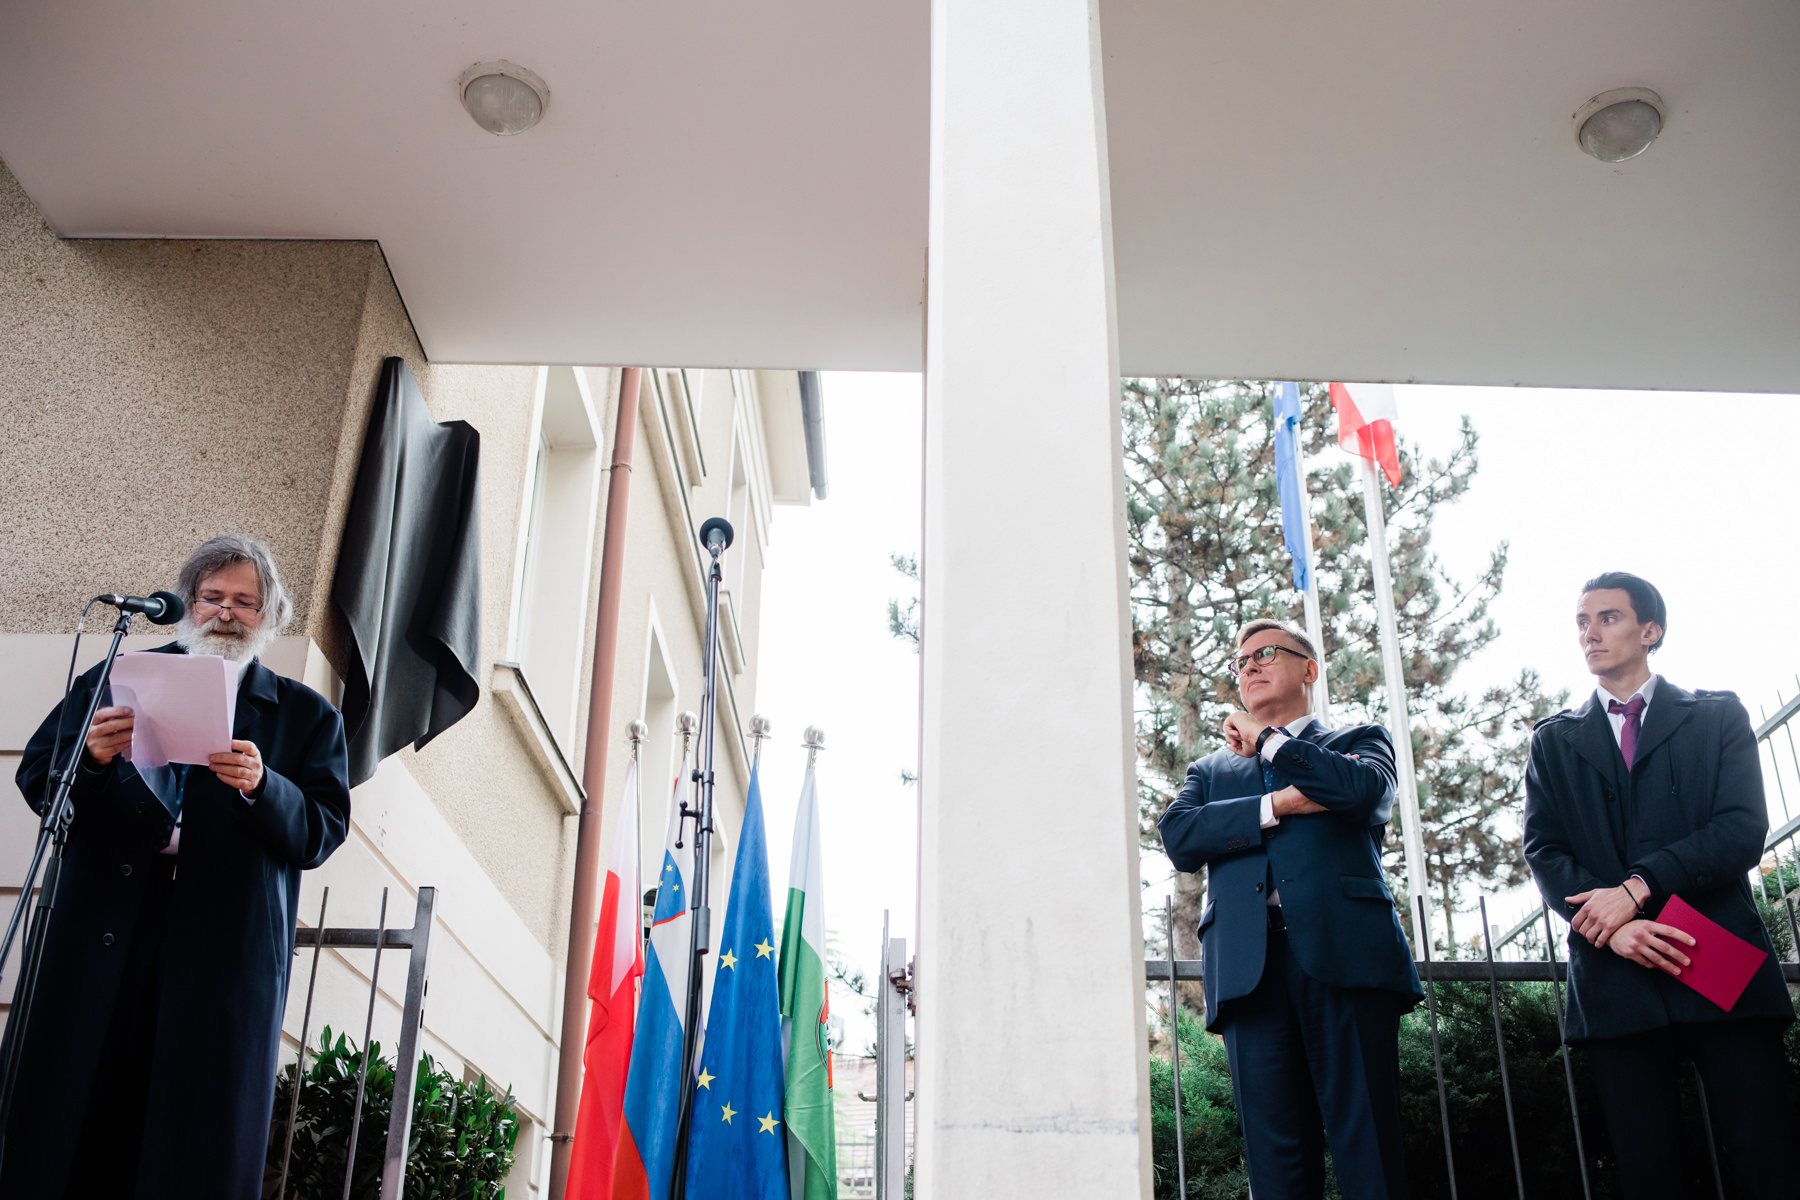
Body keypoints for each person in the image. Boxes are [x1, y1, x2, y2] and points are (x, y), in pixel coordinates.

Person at [0, 534, 352, 1200]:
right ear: (188, 603)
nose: (225, 613)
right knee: (77, 1121)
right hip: (107, 926)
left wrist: (264, 786)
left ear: (270, 617)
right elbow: (40, 778)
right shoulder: (114, 679)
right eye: (212, 597)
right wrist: (92, 759)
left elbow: (323, 830)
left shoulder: (307, 716)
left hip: (221, 946)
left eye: (244, 602)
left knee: (191, 1139)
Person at [1522, 572, 1795, 1200]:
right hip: (1615, 977)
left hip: (1719, 964)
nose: (1590, 633)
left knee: (1767, 1160)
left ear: (1651, 630)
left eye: (1608, 618)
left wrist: (1639, 887)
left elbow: (1740, 831)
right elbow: (1545, 851)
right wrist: (1611, 928)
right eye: (1582, 622)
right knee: (1648, 1174)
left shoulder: (1717, 716)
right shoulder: (1553, 742)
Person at [1158, 619, 1420, 1200]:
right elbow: (1179, 837)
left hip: (1347, 960)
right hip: (1248, 971)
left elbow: (1364, 793)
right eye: (1240, 661)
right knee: (1276, 1167)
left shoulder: (1358, 740)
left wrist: (1270, 742)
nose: (1249, 665)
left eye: (1266, 653)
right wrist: (1277, 804)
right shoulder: (1211, 771)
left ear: (1309, 668)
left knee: (1370, 1153)